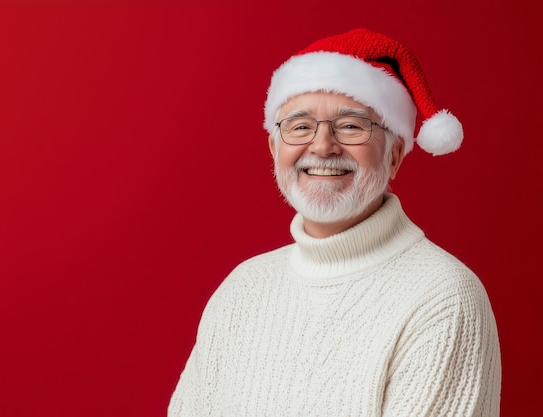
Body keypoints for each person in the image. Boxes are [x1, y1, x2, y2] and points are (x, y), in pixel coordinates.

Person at [168, 28, 501, 416]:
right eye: (300, 126)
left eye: (351, 125)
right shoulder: (242, 288)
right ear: (275, 148)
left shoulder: (443, 298)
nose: (323, 146)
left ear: (394, 153)